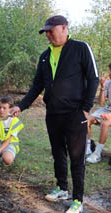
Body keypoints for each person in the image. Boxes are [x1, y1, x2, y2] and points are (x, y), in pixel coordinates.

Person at [10, 15, 99, 213]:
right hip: (53, 113)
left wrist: (86, 107)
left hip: (75, 113)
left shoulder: (80, 48)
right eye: (46, 32)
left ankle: (78, 200)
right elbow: (36, 86)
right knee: (58, 151)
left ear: (64, 28)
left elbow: (93, 77)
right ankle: (62, 187)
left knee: (77, 157)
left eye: (51, 31)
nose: (48, 35)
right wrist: (21, 106)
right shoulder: (44, 55)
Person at [86, 63, 111, 163]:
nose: (110, 72)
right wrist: (102, 87)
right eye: (110, 70)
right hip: (107, 109)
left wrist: (109, 115)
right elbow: (101, 103)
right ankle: (87, 149)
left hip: (109, 114)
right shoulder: (108, 83)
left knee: (105, 123)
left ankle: (97, 153)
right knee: (86, 120)